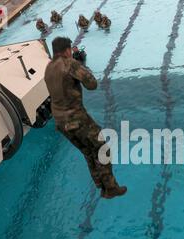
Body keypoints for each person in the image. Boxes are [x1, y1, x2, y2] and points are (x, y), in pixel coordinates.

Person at [44, 37, 127, 199]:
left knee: (88, 151)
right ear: (67, 50)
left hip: (60, 123)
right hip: (76, 119)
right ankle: (110, 188)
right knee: (102, 148)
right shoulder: (69, 63)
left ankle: (100, 185)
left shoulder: (48, 68)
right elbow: (92, 84)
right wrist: (78, 63)